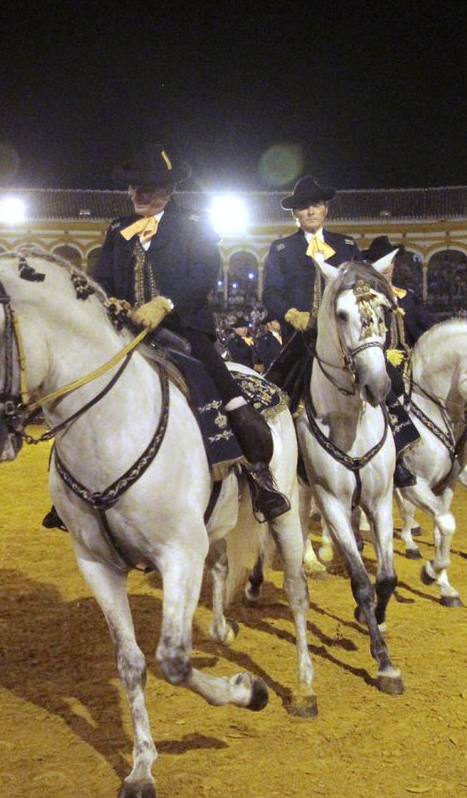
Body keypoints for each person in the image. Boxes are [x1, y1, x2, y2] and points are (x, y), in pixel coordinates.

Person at [44, 144, 290, 529]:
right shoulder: (118, 230)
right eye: (133, 187)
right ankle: (71, 489)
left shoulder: (193, 225)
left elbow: (204, 273)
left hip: (183, 329)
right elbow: (102, 277)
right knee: (84, 390)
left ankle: (259, 477)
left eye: (147, 188)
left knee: (224, 389)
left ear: (169, 190)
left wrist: (164, 303)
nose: (136, 194)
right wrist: (112, 300)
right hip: (126, 332)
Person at [260, 174, 360, 407]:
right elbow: (271, 292)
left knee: (384, 379)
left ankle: (400, 424)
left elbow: (360, 288)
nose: (311, 211)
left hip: (344, 336)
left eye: (316, 205)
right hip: (302, 337)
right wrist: (292, 314)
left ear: (326, 209)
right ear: (295, 213)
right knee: (277, 395)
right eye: (303, 207)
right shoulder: (281, 248)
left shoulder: (346, 245)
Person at [361, 236, 444, 487]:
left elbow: (429, 329)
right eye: (380, 261)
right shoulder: (365, 299)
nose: (386, 266)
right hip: (377, 369)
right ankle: (393, 461)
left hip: (409, 369)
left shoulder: (407, 298)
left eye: (390, 261)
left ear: (394, 264)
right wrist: (382, 356)